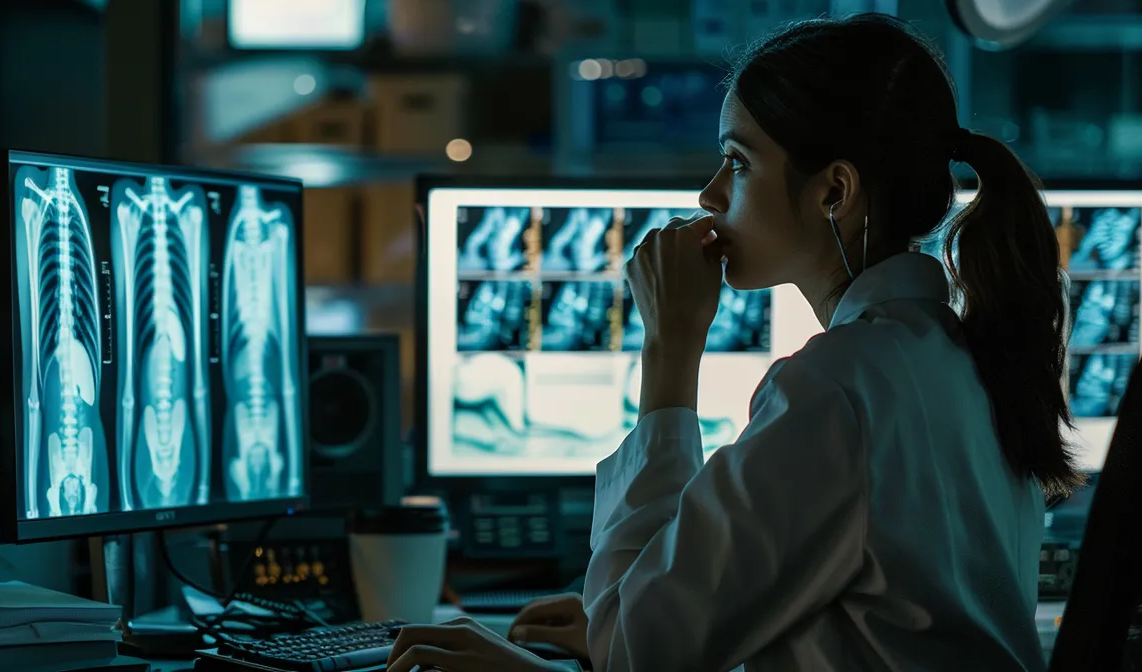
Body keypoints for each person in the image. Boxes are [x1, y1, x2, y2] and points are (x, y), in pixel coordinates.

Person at [388, 13, 1073, 672]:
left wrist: (670, 349)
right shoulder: (957, 357)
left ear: (834, 191)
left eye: (737, 163)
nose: (710, 195)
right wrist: (618, 619)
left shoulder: (838, 387)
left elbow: (643, 653)